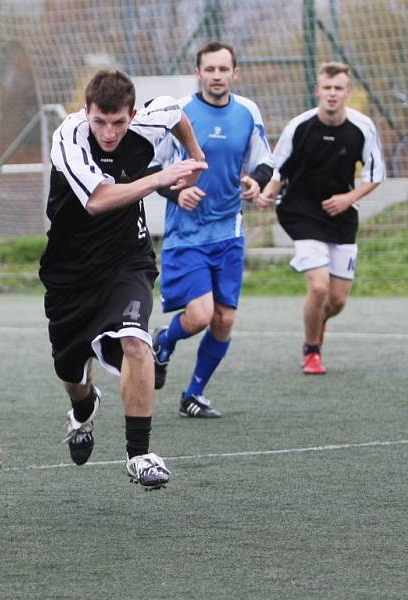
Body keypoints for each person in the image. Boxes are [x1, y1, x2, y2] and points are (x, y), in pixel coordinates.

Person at [39, 69, 207, 489]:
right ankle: (84, 407)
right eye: (100, 121)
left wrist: (194, 158)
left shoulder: (149, 121)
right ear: (86, 113)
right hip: (71, 273)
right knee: (71, 374)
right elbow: (97, 201)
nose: (109, 132)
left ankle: (140, 453)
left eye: (119, 122)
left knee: (135, 340)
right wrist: (158, 178)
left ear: (132, 114)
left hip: (128, 261)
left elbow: (175, 112)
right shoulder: (69, 138)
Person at [151, 41, 274, 418]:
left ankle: (193, 395)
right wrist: (178, 193)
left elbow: (264, 163)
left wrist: (254, 183)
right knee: (201, 315)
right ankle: (165, 341)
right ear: (198, 73)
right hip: (187, 236)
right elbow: (150, 172)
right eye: (210, 69)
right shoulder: (179, 113)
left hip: (229, 233)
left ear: (234, 73)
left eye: (224, 69)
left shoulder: (247, 112)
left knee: (224, 320)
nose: (217, 76)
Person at [257, 61, 385, 374]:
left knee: (337, 301)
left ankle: (317, 324)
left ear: (347, 92)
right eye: (326, 88)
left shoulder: (362, 128)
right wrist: (271, 190)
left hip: (341, 217)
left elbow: (376, 174)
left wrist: (348, 199)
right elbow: (277, 167)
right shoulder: (299, 126)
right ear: (317, 91)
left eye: (338, 89)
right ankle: (311, 350)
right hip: (301, 213)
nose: (332, 94)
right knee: (318, 288)